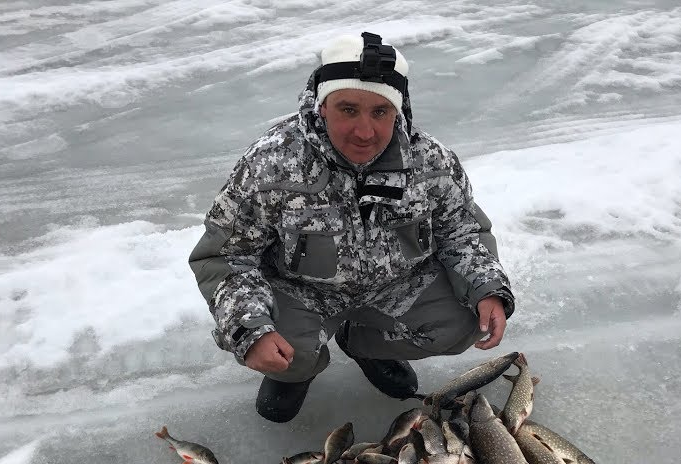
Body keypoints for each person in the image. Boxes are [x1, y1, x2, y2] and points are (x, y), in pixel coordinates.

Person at [189, 32, 516, 423]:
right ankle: (299, 367)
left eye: (380, 112)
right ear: (322, 105)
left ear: (399, 109)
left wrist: (487, 289)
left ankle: (368, 347)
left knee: (464, 322)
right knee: (281, 348)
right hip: (302, 292)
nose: (365, 132)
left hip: (393, 287)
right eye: (348, 109)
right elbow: (226, 256)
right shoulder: (270, 164)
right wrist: (250, 330)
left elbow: (462, 233)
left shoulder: (431, 161)